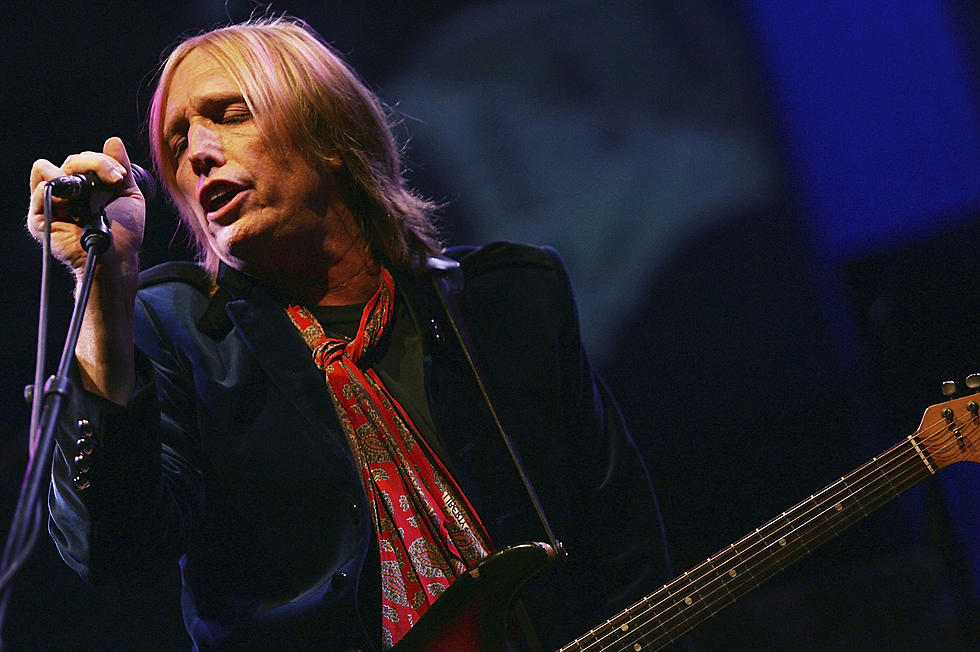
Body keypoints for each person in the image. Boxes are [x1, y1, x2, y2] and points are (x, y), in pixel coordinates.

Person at [26, 16, 671, 651]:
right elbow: (114, 550)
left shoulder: (510, 299)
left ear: (329, 135)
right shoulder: (177, 331)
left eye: (229, 113)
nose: (196, 153)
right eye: (176, 145)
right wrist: (107, 285)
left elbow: (625, 552)